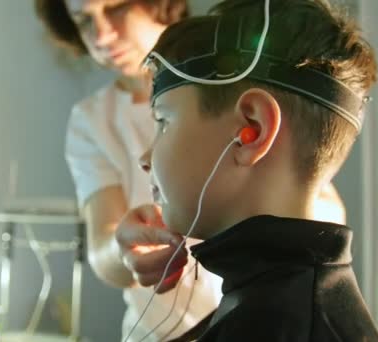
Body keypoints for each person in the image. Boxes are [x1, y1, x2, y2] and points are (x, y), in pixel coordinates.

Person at [35, 0, 347, 341]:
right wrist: (123, 250)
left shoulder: (243, 77)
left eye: (116, 8)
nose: (101, 35)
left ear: (253, 128)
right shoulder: (93, 120)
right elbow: (102, 247)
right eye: (83, 21)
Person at [132, 0, 378, 340]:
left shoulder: (279, 324)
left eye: (163, 121)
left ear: (252, 129)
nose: (145, 157)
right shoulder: (281, 300)